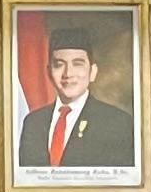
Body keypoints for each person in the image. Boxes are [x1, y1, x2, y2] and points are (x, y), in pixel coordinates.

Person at [14, 34, 132, 173]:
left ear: (92, 72)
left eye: (77, 64)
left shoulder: (117, 122)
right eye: (59, 65)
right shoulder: (33, 122)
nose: (68, 73)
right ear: (49, 72)